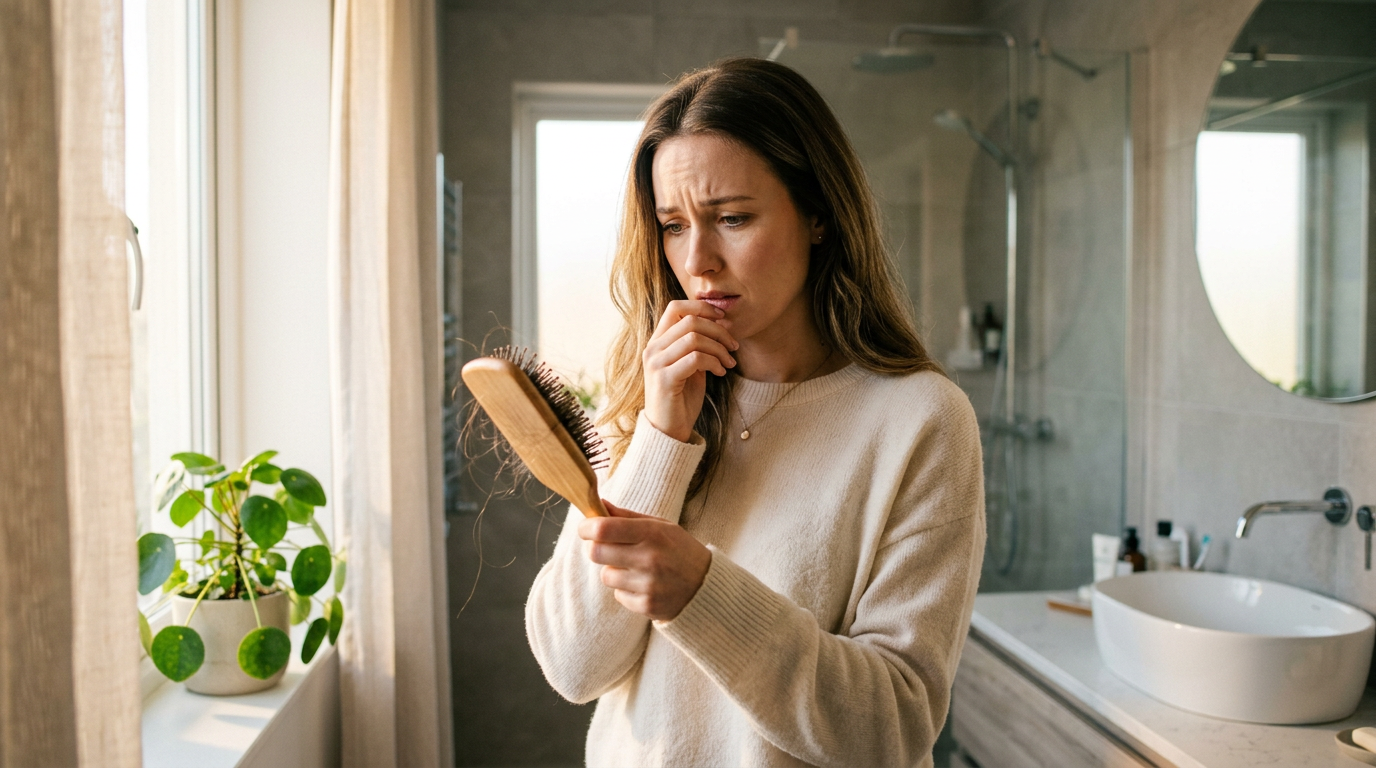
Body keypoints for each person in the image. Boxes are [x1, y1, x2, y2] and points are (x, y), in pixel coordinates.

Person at [525, 57, 985, 768]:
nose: (698, 259)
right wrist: (660, 437)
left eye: (732, 218)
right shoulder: (645, 399)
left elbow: (892, 727)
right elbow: (572, 666)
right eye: (673, 226)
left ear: (819, 216)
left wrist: (702, 595)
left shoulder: (920, 421)